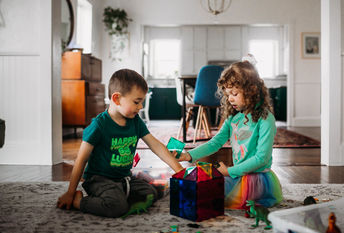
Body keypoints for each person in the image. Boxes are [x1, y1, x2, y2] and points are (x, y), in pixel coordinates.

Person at [57, 69, 183, 217]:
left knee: (151, 193)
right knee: (117, 207)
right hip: (98, 180)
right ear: (116, 99)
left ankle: (120, 195)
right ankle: (80, 202)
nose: (140, 107)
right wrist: (70, 193)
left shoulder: (135, 121)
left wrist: (179, 169)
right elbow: (81, 160)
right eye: (137, 102)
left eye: (141, 102)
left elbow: (155, 145)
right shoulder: (99, 125)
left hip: (124, 178)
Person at [177, 58, 283, 210]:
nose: (230, 98)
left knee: (206, 193)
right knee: (195, 183)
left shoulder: (266, 119)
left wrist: (229, 171)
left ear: (252, 90)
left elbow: (261, 158)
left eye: (234, 93)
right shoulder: (233, 118)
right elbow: (215, 143)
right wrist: (188, 155)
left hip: (256, 180)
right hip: (237, 175)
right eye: (228, 94)